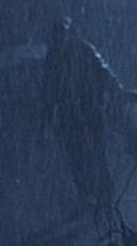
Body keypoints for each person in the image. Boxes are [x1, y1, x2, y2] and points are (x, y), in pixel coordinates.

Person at [42, 16, 122, 212]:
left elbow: (104, 72)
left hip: (89, 107)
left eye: (63, 33)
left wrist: (117, 91)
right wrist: (47, 117)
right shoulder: (52, 58)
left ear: (69, 34)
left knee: (98, 153)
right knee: (76, 156)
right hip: (69, 114)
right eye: (57, 35)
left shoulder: (84, 50)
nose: (60, 38)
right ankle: (87, 196)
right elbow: (49, 91)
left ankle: (105, 196)